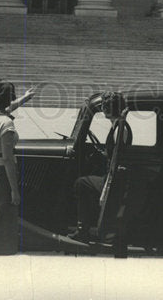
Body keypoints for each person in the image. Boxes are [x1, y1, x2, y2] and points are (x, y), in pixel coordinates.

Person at [0, 79, 34, 255]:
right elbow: (8, 159)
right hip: (2, 175)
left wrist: (25, 98)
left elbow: (7, 109)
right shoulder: (6, 124)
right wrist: (14, 190)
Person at [68, 91, 130, 244]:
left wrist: (105, 190)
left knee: (81, 183)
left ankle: (83, 230)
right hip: (113, 176)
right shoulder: (118, 126)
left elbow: (116, 160)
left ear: (108, 110)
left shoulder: (120, 129)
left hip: (114, 181)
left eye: (104, 106)